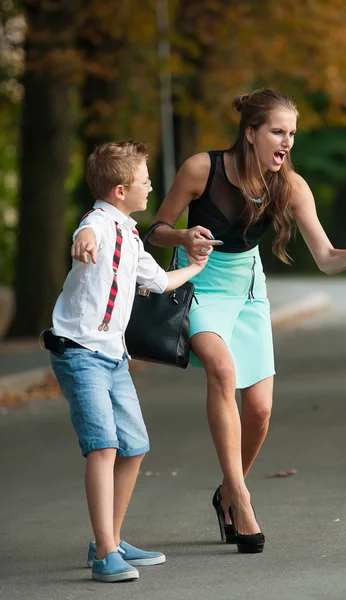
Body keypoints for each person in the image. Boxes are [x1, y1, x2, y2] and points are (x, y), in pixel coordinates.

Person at [147, 88, 346, 553]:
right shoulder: (203, 168)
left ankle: (225, 491)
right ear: (251, 132)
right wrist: (183, 234)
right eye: (278, 131)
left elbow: (326, 259)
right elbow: (155, 229)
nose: (287, 142)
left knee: (258, 409)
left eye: (292, 134)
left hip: (249, 290)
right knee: (222, 370)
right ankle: (240, 497)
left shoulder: (292, 186)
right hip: (198, 282)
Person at [46, 140, 220, 582]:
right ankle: (105, 553)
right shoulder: (100, 223)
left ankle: (112, 538)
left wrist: (196, 268)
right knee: (103, 446)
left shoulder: (129, 232)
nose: (151, 188)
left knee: (134, 446)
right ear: (121, 191)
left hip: (114, 357)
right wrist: (81, 241)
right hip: (80, 353)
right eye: (144, 182)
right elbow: (86, 233)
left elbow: (159, 281)